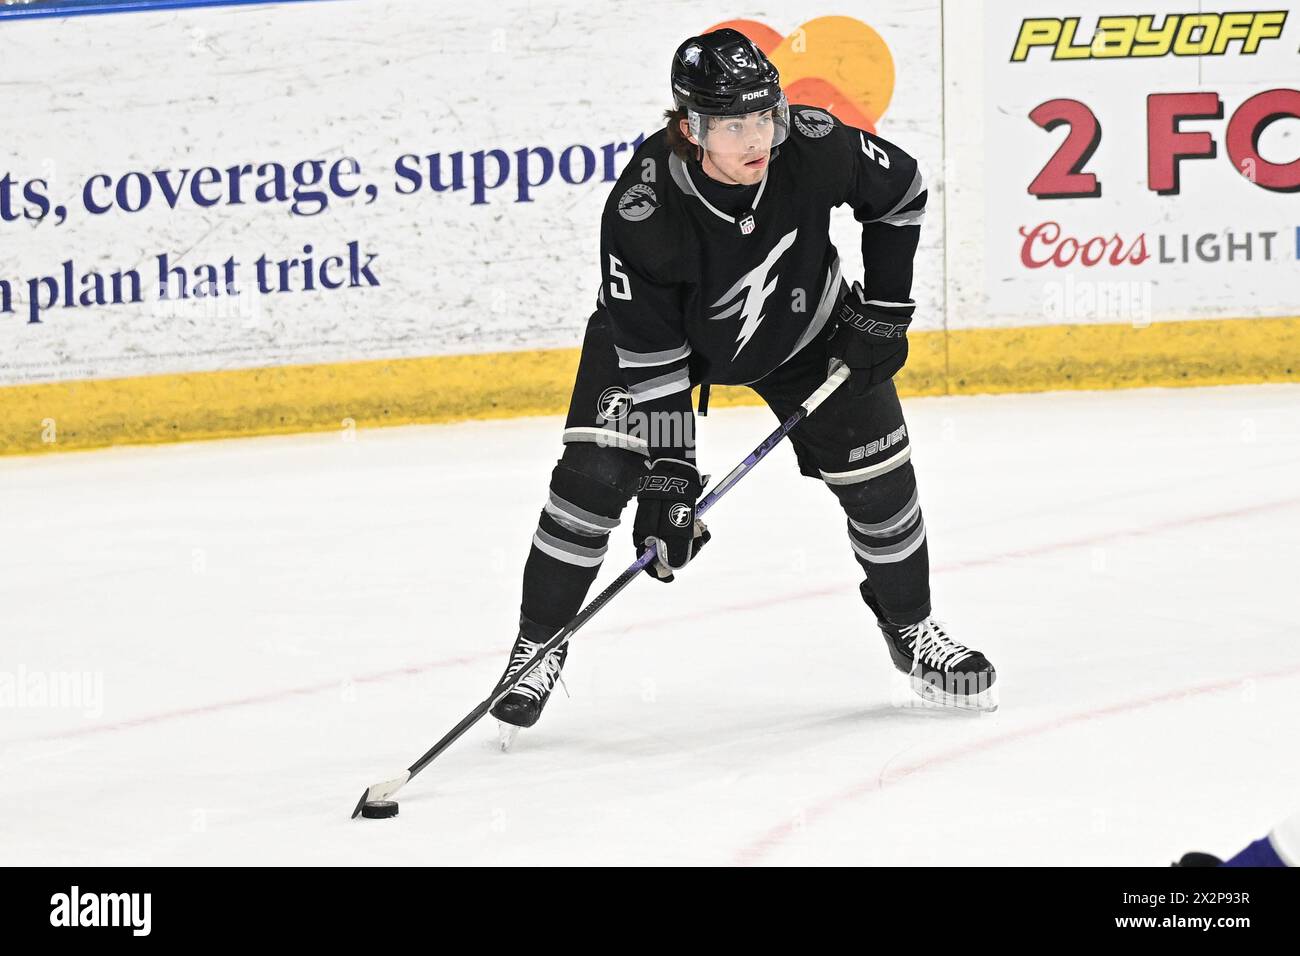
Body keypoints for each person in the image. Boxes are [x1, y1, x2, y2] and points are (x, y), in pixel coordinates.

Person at [489, 28, 997, 745]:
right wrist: (670, 474)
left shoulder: (810, 146)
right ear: (692, 128)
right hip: (663, 346)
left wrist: (883, 311)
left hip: (805, 330)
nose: (758, 136)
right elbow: (654, 358)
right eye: (734, 124)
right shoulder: (643, 209)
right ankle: (536, 649)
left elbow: (902, 190)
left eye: (765, 115)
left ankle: (911, 629)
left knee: (882, 483)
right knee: (594, 477)